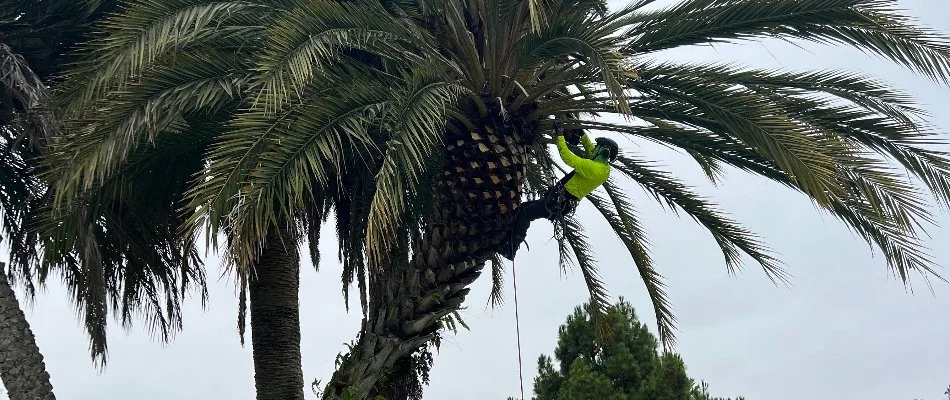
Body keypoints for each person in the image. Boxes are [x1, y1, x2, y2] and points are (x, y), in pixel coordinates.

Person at [496, 123, 618, 260]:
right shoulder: (603, 166)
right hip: (559, 200)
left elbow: (568, 158)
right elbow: (591, 149)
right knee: (523, 207)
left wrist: (559, 135)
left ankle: (510, 249)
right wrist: (581, 133)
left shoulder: (595, 169)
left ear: (604, 151)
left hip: (559, 202)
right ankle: (508, 237)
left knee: (525, 214)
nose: (594, 148)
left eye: (597, 147)